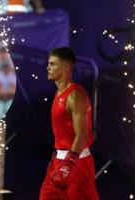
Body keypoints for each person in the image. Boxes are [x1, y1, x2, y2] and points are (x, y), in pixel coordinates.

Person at [39, 47, 99, 200]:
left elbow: (83, 134)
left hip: (77, 163)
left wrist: (70, 163)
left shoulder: (76, 95)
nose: (48, 67)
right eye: (48, 63)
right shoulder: (58, 93)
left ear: (65, 68)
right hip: (57, 161)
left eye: (52, 64)